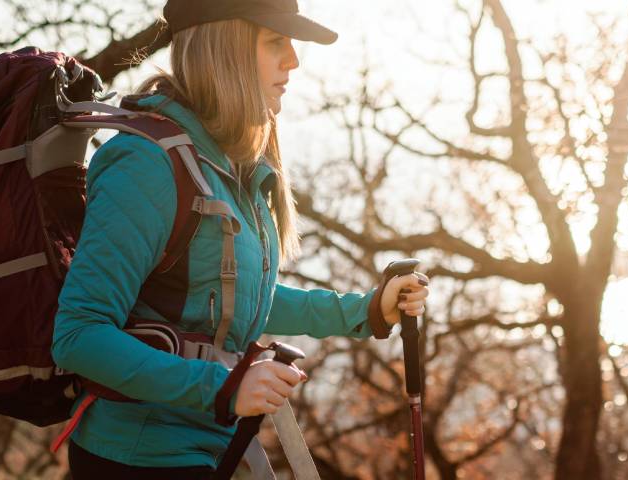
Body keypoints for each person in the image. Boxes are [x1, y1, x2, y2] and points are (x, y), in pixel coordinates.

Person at [51, 0, 430, 478]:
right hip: (140, 456)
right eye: (276, 42)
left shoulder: (229, 167)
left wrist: (366, 310)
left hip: (214, 448)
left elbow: (237, 302)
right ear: (224, 48)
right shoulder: (146, 164)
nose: (293, 59)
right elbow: (78, 336)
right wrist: (225, 386)